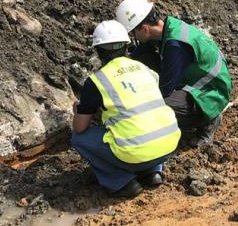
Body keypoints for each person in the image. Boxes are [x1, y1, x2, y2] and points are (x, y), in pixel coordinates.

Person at [70, 20, 181, 198]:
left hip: (136, 154)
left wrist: (78, 112)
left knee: (79, 138)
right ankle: (152, 173)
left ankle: (122, 182)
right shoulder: (145, 69)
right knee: (144, 123)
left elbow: (80, 127)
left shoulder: (98, 81)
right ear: (127, 46)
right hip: (169, 146)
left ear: (98, 51)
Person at [115, 0, 232, 147]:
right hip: (195, 79)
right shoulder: (166, 29)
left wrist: (133, 100)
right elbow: (138, 55)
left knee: (152, 108)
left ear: (144, 29)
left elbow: (164, 90)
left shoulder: (176, 46)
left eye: (133, 33)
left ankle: (208, 119)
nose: (133, 38)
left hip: (211, 94)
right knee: (144, 57)